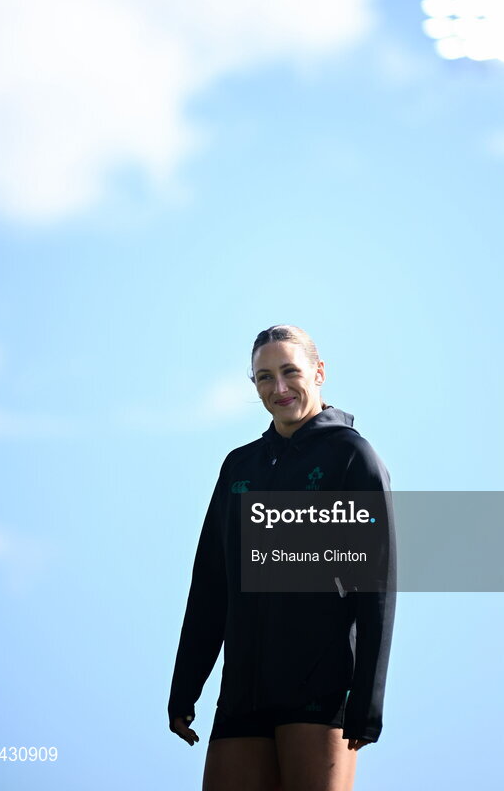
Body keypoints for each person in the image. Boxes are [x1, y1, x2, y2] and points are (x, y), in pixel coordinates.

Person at [168, 324, 396, 791]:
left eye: (290, 372)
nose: (279, 388)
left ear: (319, 372)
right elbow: (211, 583)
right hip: (242, 696)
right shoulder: (239, 466)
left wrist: (367, 702)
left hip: (320, 692)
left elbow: (375, 587)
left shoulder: (353, 457)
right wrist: (185, 687)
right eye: (264, 377)